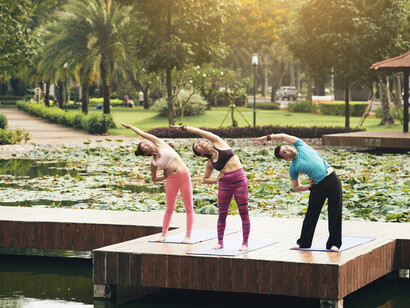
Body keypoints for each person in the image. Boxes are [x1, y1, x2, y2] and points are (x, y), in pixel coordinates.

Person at [251, 133, 342, 251]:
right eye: (285, 152)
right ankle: (303, 243)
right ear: (286, 158)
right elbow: (297, 187)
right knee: (311, 215)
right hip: (317, 187)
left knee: (335, 212)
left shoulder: (301, 146)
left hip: (332, 180)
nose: (288, 149)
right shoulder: (293, 168)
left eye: (286, 147)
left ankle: (334, 244)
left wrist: (266, 138)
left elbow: (283, 136)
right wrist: (309, 186)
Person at [171, 125, 250, 251]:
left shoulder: (219, 143)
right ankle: (220, 242)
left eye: (198, 142)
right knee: (222, 214)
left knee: (243, 213)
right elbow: (205, 179)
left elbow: (199, 131)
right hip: (225, 185)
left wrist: (184, 128)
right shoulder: (210, 162)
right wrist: (217, 179)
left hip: (240, 182)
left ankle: (245, 243)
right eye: (197, 147)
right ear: (200, 154)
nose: (199, 144)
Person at [121, 123, 194, 243]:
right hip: (171, 180)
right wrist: (164, 177)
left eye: (145, 142)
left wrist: (131, 127)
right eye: (144, 145)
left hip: (184, 175)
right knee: (169, 208)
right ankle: (163, 235)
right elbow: (154, 179)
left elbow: (143, 134)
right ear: (145, 153)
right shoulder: (154, 163)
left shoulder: (161, 144)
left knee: (189, 207)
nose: (146, 143)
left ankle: (188, 236)